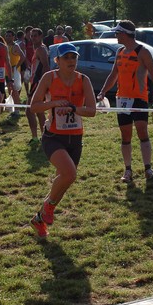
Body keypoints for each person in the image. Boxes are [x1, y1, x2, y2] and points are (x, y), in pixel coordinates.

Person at [30, 42, 96, 237]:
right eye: (66, 57)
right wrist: (54, 103)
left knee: (65, 179)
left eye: (74, 57)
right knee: (70, 174)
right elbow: (34, 107)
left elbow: (92, 111)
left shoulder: (84, 80)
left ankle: (40, 218)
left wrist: (75, 109)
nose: (71, 61)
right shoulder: (49, 78)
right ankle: (48, 206)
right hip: (53, 136)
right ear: (57, 60)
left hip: (75, 137)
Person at [98, 19, 153, 184]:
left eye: (117, 33)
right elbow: (113, 74)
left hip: (139, 98)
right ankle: (128, 170)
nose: (115, 36)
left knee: (142, 131)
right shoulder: (119, 51)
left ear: (125, 34)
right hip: (122, 99)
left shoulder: (143, 52)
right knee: (125, 134)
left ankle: (148, 169)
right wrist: (103, 91)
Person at [25, 28, 50, 145]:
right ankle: (44, 136)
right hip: (35, 82)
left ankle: (36, 137)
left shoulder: (41, 49)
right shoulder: (38, 49)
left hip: (38, 83)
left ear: (41, 36)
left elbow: (46, 66)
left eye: (35, 36)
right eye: (32, 36)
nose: (33, 38)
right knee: (39, 111)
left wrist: (44, 83)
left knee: (29, 110)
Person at [4, 29, 25, 116]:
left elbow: (23, 56)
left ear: (13, 37)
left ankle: (17, 110)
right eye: (7, 36)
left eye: (10, 36)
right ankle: (12, 108)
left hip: (13, 71)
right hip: (6, 71)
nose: (8, 37)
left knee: (15, 91)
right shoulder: (5, 46)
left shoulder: (15, 46)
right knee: (10, 91)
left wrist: (16, 67)